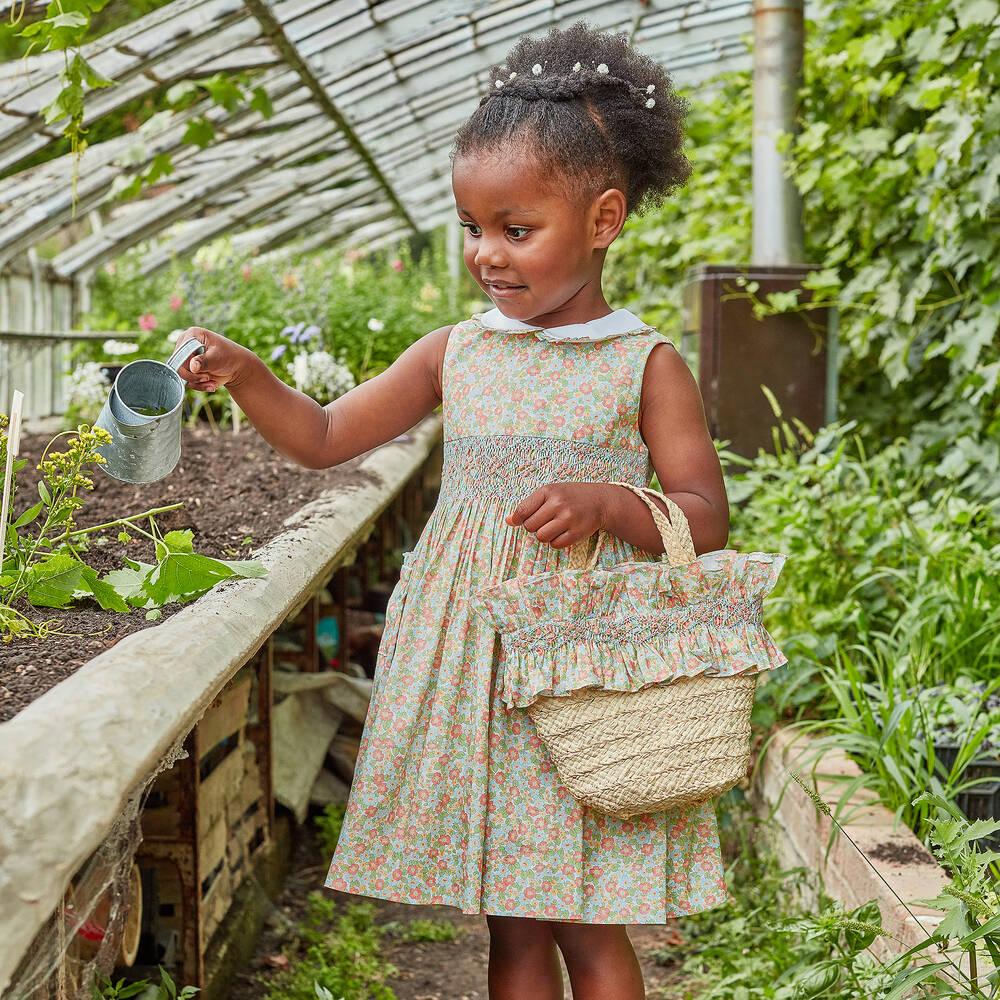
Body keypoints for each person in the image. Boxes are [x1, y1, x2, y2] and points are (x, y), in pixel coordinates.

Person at [177, 21, 730, 1000]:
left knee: (591, 923)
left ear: (603, 220)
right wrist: (250, 375)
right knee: (513, 923)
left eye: (516, 229)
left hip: (580, 665)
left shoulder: (642, 361)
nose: (486, 253)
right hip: (471, 661)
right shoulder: (454, 352)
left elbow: (702, 513)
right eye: (471, 227)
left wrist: (610, 502)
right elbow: (322, 435)